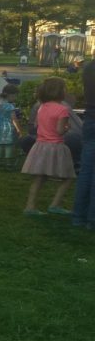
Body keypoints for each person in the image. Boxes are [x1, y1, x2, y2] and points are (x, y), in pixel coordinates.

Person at [21, 77, 75, 215]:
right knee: (68, 177)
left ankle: (30, 206)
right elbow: (60, 131)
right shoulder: (62, 109)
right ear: (59, 91)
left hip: (40, 146)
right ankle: (55, 204)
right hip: (55, 147)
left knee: (39, 178)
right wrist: (67, 127)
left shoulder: (41, 107)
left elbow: (37, 125)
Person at [72, 61, 95, 229]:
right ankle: (92, 219)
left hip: (90, 119)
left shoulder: (89, 67)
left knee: (86, 170)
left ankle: (79, 215)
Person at [0, 84, 22, 169]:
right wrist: (18, 129)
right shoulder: (10, 106)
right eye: (15, 96)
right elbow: (14, 118)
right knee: (9, 145)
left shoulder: (0, 103)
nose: (16, 98)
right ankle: (8, 162)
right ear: (10, 95)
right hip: (8, 127)